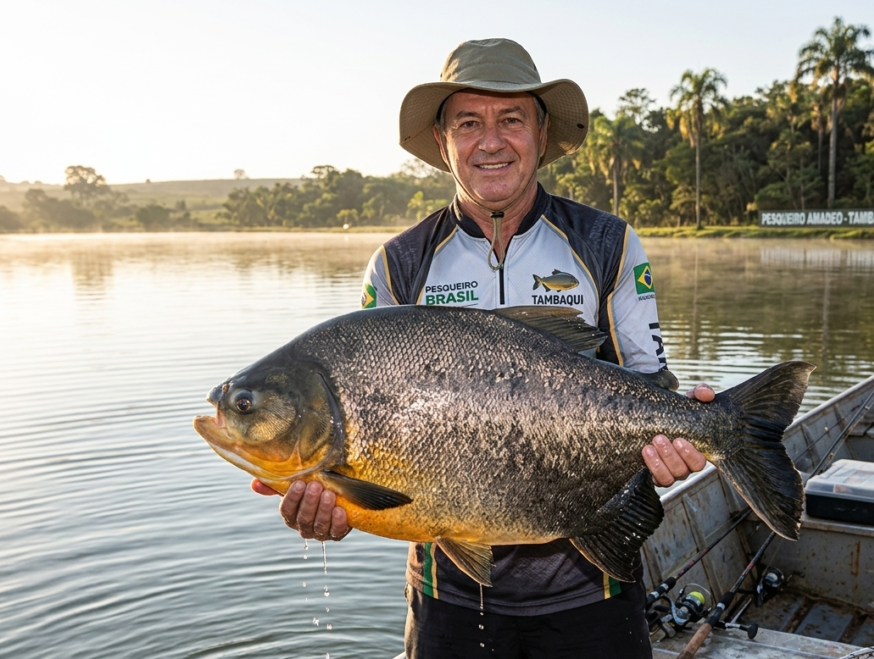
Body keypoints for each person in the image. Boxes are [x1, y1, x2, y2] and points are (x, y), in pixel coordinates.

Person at [253, 38, 713, 658]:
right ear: (442, 142)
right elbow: (371, 450)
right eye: (469, 122)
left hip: (594, 590)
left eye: (511, 119)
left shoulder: (608, 244)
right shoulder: (397, 264)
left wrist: (690, 429)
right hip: (448, 599)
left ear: (542, 134)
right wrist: (336, 504)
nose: (490, 141)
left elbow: (650, 389)